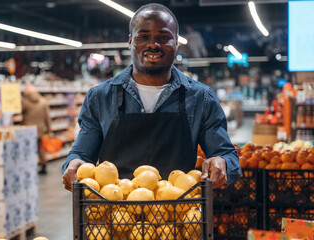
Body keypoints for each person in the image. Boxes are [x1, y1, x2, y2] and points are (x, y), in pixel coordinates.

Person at [62, 3, 241, 191]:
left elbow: (227, 156)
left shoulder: (201, 98)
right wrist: (73, 165)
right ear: (130, 41)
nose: (153, 45)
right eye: (143, 36)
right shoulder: (100, 97)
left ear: (177, 43)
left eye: (164, 38)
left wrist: (221, 162)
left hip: (178, 214)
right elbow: (81, 154)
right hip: (114, 213)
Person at [22, 83, 51, 174]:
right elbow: (47, 116)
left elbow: (19, 111)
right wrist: (49, 128)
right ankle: (43, 164)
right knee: (40, 147)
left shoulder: (24, 101)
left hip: (28, 129)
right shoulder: (43, 101)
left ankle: (30, 166)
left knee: (29, 148)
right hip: (40, 129)